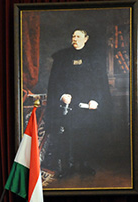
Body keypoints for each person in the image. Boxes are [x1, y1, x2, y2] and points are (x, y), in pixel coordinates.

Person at [42, 28, 111, 178]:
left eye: (78, 36)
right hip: (68, 104)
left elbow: (100, 82)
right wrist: (62, 96)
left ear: (86, 38)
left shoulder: (94, 57)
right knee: (68, 135)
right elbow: (56, 81)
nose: (75, 39)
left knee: (86, 135)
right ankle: (69, 167)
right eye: (73, 36)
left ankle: (84, 165)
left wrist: (96, 99)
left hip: (87, 105)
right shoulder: (62, 57)